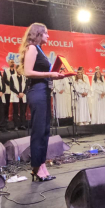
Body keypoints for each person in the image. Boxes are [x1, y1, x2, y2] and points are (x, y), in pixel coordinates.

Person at [18, 23, 65, 182]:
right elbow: (28, 72)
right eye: (45, 33)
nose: (48, 36)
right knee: (38, 131)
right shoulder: (32, 48)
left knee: (44, 131)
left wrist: (55, 74)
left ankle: (41, 166)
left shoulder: (39, 49)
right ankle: (36, 168)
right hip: (37, 91)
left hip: (44, 91)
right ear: (38, 34)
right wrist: (50, 74)